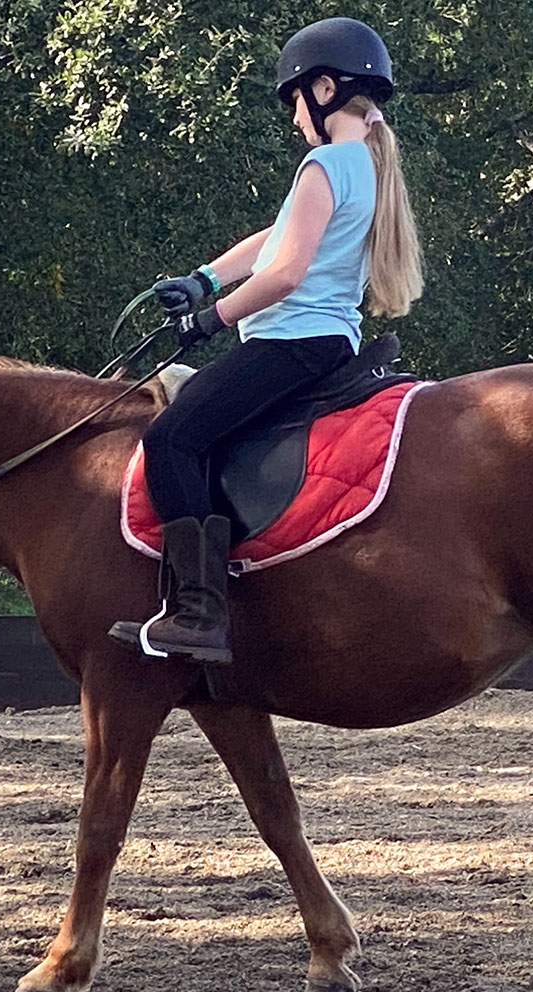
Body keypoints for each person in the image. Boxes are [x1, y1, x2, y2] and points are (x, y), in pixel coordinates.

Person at [131, 16, 424, 665]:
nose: (294, 119)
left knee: (171, 437)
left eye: (294, 100)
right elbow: (276, 238)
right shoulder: (361, 166)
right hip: (325, 343)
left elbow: (287, 272)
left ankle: (198, 614)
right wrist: (203, 279)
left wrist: (211, 319)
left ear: (324, 89)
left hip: (292, 341)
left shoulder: (324, 163)